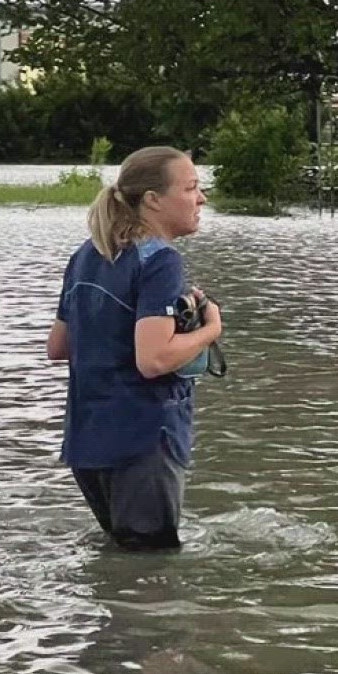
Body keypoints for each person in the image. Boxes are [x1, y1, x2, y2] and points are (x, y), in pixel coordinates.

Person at [47, 146, 223, 551]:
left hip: (88, 441)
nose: (202, 199)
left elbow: (58, 347)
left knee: (123, 562)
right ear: (153, 200)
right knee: (153, 571)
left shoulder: (87, 255)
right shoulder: (160, 262)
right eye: (192, 188)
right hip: (143, 443)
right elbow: (154, 359)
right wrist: (209, 329)